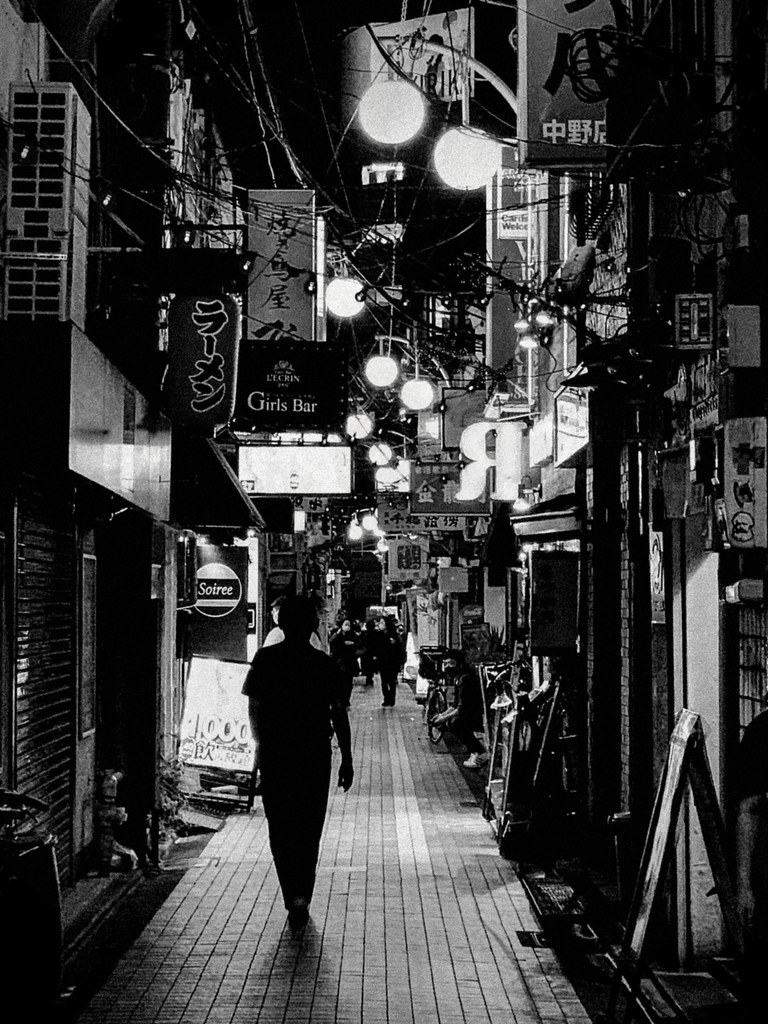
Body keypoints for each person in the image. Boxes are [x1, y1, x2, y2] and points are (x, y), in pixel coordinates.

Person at [243, 595, 354, 930]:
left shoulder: (265, 659)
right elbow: (338, 712)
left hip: (277, 756)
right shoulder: (322, 664)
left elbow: (255, 707)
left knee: (281, 829)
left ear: (280, 624)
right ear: (311, 626)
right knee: (308, 829)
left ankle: (291, 893)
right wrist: (347, 759)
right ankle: (301, 897)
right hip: (313, 756)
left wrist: (260, 745)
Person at [734, 708, 768, 1023]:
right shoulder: (763, 733)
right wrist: (744, 885)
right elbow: (749, 809)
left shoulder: (760, 730)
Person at [432, 650, 488, 768]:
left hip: (475, 713)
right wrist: (442, 715)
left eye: (450, 663)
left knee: (455, 723)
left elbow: (461, 708)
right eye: (445, 664)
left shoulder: (465, 679)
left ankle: (478, 752)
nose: (447, 667)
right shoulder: (459, 677)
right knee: (451, 721)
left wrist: (443, 718)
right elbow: (456, 704)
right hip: (469, 711)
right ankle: (474, 751)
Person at [329, 617, 360, 707]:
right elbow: (331, 641)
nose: (347, 627)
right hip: (339, 662)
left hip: (349, 661)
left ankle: (346, 699)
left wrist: (352, 644)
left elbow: (358, 644)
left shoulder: (352, 635)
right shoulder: (337, 634)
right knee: (340, 682)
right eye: (345, 625)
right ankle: (341, 699)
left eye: (349, 625)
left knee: (348, 683)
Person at [375, 616, 405, 707]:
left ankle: (392, 699)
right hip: (382, 662)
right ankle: (386, 698)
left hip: (392, 662)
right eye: (380, 623)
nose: (381, 625)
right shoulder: (379, 635)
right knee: (384, 682)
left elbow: (399, 649)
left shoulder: (394, 635)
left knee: (391, 681)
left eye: (383, 623)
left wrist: (400, 661)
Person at [359, 619, 378, 686]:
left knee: (367, 665)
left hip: (366, 653)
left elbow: (360, 642)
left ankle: (369, 677)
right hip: (370, 653)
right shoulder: (376, 633)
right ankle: (369, 676)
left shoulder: (364, 633)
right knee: (370, 666)